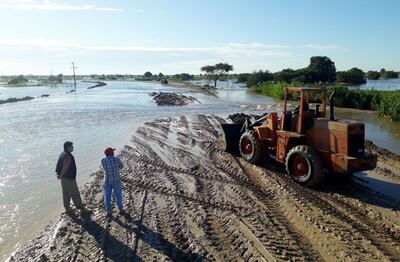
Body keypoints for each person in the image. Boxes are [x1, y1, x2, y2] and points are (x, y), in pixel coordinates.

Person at [56, 141, 90, 216]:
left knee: (66, 193)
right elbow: (65, 166)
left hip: (64, 178)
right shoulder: (68, 156)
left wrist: (59, 175)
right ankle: (81, 208)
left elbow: (59, 165)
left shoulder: (62, 154)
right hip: (68, 178)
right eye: (72, 146)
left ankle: (67, 208)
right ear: (68, 148)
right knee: (74, 193)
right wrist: (61, 175)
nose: (73, 148)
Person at [101, 147, 124, 217]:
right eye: (113, 152)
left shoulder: (103, 160)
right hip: (116, 180)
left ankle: (109, 211)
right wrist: (116, 168)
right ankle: (120, 209)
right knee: (118, 195)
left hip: (107, 180)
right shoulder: (116, 159)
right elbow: (121, 166)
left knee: (107, 196)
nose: (114, 153)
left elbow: (105, 168)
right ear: (111, 153)